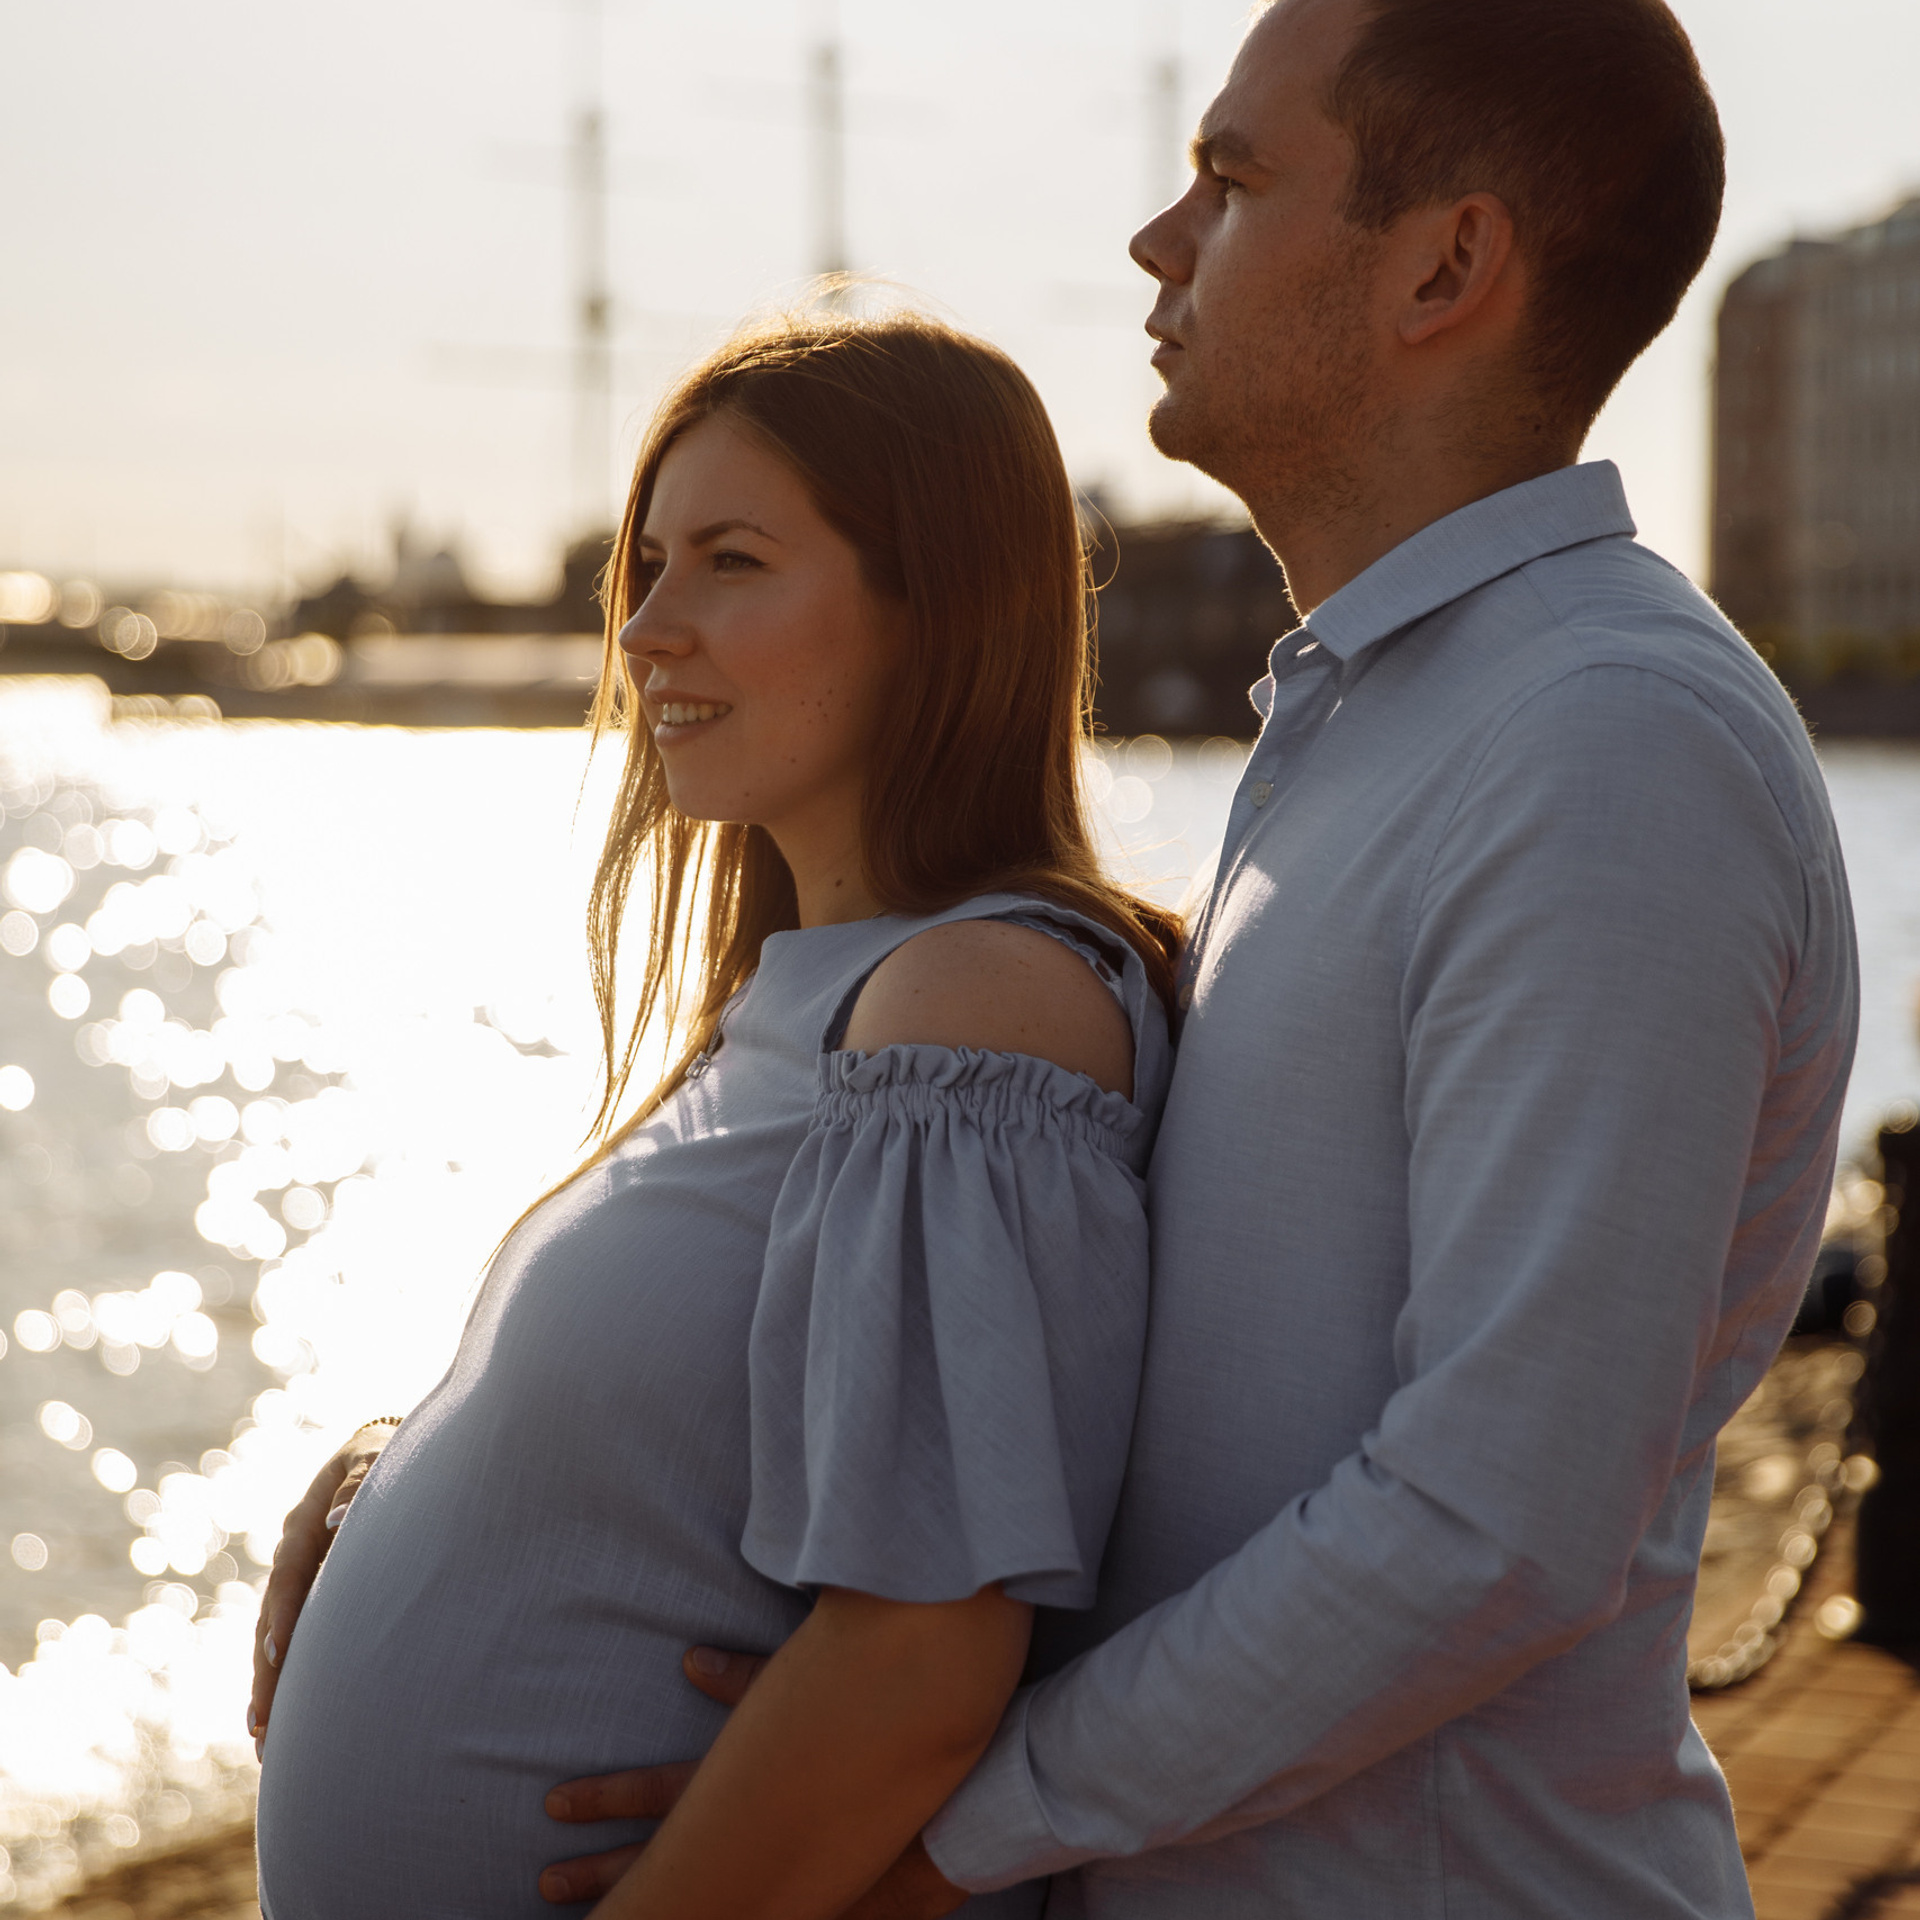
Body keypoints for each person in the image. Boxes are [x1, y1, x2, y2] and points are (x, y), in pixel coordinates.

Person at [515, 1, 1861, 1915]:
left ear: (1448, 263)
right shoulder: (1380, 722)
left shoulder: (1605, 743)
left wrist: (957, 1831)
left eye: (1230, 181)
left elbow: (1497, 1517)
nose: (1157, 239)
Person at [245, 313, 1179, 1919]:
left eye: (732, 562)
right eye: (650, 565)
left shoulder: (977, 1003)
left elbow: (920, 1657)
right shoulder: (801, 999)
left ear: (939, 611)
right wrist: (391, 1465)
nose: (648, 630)